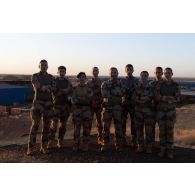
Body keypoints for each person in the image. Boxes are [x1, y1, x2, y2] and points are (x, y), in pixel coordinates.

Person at [27, 59, 55, 155]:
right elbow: (38, 87)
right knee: (35, 125)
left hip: (48, 104)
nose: (43, 66)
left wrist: (45, 87)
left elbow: (53, 88)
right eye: (42, 65)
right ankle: (31, 148)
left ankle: (44, 147)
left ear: (47, 66)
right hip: (37, 104)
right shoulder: (35, 76)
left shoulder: (51, 77)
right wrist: (46, 87)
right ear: (39, 66)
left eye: (45, 65)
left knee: (47, 126)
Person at [155, 67, 180, 159]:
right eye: (166, 73)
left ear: (172, 74)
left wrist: (164, 98)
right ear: (164, 74)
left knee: (169, 132)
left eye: (169, 73)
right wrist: (168, 98)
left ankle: (170, 151)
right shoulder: (159, 84)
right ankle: (162, 150)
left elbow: (178, 98)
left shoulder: (175, 85)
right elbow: (157, 96)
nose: (167, 74)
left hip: (171, 112)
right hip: (161, 112)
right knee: (162, 132)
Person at [48, 66, 72, 149]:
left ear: (65, 72)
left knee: (63, 126)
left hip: (65, 106)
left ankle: (60, 141)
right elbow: (54, 91)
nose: (62, 73)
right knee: (54, 125)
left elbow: (70, 91)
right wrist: (64, 91)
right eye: (60, 71)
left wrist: (62, 91)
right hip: (56, 106)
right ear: (58, 72)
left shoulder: (68, 82)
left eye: (63, 71)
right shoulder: (54, 81)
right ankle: (50, 141)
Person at [101, 67, 125, 152]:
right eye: (112, 72)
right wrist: (116, 94)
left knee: (118, 127)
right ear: (109, 73)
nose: (113, 74)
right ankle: (105, 144)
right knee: (106, 127)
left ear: (117, 73)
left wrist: (112, 93)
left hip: (117, 109)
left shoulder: (121, 84)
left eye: (115, 72)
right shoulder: (105, 84)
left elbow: (122, 93)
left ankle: (118, 145)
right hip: (107, 108)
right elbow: (105, 95)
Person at [72, 72, 93, 152]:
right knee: (76, 129)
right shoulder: (75, 88)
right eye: (80, 77)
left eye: (84, 77)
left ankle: (85, 144)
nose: (82, 78)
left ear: (85, 78)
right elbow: (73, 100)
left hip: (86, 110)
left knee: (86, 128)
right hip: (77, 110)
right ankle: (76, 144)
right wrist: (82, 99)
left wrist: (80, 98)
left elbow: (89, 98)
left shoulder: (89, 88)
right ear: (78, 79)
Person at [134, 71, 154, 154]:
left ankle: (149, 147)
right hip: (138, 111)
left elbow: (152, 96)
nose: (144, 77)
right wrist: (142, 99)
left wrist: (143, 99)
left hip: (148, 111)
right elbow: (133, 97)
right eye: (142, 75)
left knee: (148, 130)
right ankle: (140, 146)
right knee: (139, 130)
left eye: (145, 75)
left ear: (148, 76)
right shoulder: (136, 86)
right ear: (140, 76)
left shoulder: (151, 87)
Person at [121, 64, 138, 147]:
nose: (129, 71)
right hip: (124, 104)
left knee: (134, 123)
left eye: (131, 69)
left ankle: (134, 140)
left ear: (133, 70)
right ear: (125, 70)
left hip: (133, 104)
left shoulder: (136, 80)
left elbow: (138, 91)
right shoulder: (122, 81)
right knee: (123, 122)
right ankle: (123, 140)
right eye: (128, 69)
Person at [87, 67, 103, 145]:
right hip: (91, 105)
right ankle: (87, 139)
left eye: (96, 71)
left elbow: (103, 94)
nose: (95, 72)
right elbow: (87, 93)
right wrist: (91, 101)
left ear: (98, 72)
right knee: (88, 122)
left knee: (100, 122)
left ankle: (100, 138)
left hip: (99, 105)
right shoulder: (89, 83)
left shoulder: (101, 82)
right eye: (94, 71)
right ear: (92, 72)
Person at [150, 67, 164, 145]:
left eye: (159, 72)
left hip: (162, 110)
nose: (158, 74)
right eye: (156, 72)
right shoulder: (151, 84)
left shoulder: (165, 84)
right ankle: (151, 144)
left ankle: (162, 146)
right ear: (154, 73)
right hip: (152, 109)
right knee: (151, 128)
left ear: (162, 73)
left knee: (162, 128)